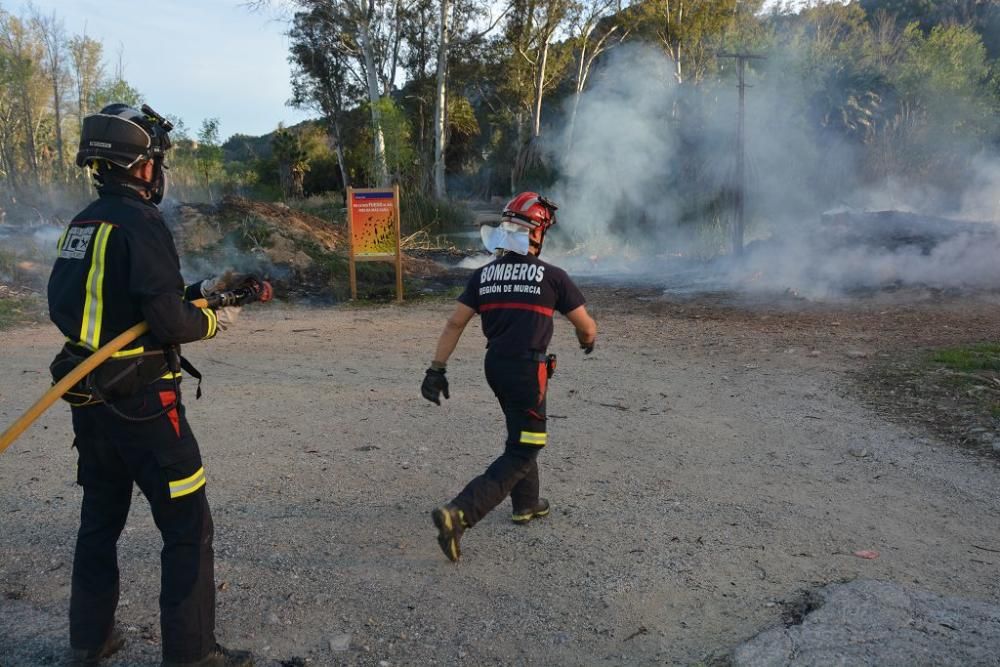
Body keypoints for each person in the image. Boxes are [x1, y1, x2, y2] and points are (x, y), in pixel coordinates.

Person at [47, 104, 253, 667]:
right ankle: (192, 655)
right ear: (139, 165)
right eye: (156, 160)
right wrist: (214, 319)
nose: (159, 171)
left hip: (91, 401)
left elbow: (117, 303)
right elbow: (164, 321)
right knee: (188, 526)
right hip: (145, 406)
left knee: (99, 523)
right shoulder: (143, 222)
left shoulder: (83, 224)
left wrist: (203, 288)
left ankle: (89, 642)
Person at [422, 192, 597, 562]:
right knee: (525, 447)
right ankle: (459, 514)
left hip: (496, 367)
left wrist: (436, 369)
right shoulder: (553, 276)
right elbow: (585, 326)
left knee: (521, 428)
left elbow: (455, 323)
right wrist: (587, 341)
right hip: (527, 371)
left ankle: (526, 504)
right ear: (537, 233)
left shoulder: (484, 275)